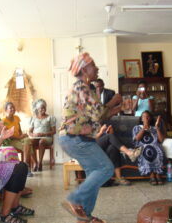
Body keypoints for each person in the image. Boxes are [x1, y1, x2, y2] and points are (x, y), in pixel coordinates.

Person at [59, 52, 122, 223]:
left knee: (94, 174)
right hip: (75, 139)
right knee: (106, 169)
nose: (97, 68)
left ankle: (85, 217)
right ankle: (74, 199)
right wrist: (113, 101)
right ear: (84, 69)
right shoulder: (81, 87)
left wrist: (118, 108)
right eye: (94, 65)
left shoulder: (86, 88)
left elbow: (98, 116)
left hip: (77, 139)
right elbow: (99, 112)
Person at [132, 111, 165, 185]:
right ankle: (152, 175)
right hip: (143, 146)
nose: (146, 118)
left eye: (148, 117)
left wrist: (157, 127)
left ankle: (157, 174)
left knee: (156, 149)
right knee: (148, 149)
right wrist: (144, 128)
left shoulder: (154, 128)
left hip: (155, 145)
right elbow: (136, 139)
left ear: (150, 119)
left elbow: (161, 140)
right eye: (144, 117)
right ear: (141, 119)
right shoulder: (137, 128)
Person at [2, 102, 33, 177]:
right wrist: (19, 138)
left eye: (13, 107)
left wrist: (22, 135)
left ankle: (25, 166)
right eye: (10, 108)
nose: (13, 109)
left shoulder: (16, 118)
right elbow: (7, 135)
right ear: (6, 110)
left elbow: (19, 129)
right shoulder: (3, 121)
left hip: (19, 138)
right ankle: (27, 167)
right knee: (28, 146)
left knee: (27, 140)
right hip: (11, 140)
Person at [28, 99, 56, 171]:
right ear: (37, 109)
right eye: (41, 108)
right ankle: (35, 163)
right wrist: (34, 134)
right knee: (29, 142)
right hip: (36, 137)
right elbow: (29, 132)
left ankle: (40, 163)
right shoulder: (33, 118)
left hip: (47, 138)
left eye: (44, 107)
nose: (43, 109)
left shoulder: (50, 118)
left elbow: (54, 131)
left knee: (42, 141)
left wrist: (44, 134)